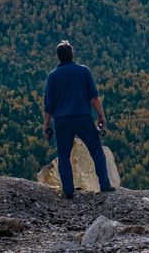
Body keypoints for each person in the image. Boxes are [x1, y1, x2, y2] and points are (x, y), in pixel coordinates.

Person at [42, 40, 116, 199]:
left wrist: (46, 125)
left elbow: (49, 105)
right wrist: (101, 116)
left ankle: (68, 191)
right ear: (72, 55)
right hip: (83, 117)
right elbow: (94, 97)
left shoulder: (53, 76)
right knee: (96, 150)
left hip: (62, 121)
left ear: (58, 57)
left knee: (64, 156)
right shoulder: (84, 72)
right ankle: (104, 185)